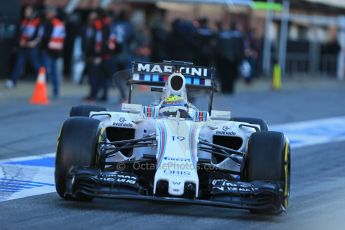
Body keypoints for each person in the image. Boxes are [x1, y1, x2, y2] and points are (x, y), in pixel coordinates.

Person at [6, 6, 43, 88]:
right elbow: (20, 33)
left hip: (32, 47)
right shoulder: (24, 21)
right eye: (26, 11)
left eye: (29, 11)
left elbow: (40, 35)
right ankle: (13, 81)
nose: (27, 13)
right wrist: (19, 42)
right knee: (19, 64)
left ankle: (43, 81)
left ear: (33, 12)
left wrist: (34, 42)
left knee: (36, 65)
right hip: (23, 47)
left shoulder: (37, 22)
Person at [41, 6, 65, 98]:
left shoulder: (50, 23)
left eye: (48, 13)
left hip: (49, 50)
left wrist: (42, 48)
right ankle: (56, 91)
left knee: (45, 71)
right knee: (55, 72)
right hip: (57, 50)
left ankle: (43, 90)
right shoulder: (60, 23)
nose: (46, 15)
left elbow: (46, 37)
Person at [216, 21, 244, 94]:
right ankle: (230, 89)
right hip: (233, 58)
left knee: (223, 75)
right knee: (231, 75)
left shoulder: (222, 34)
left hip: (223, 58)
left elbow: (218, 47)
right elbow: (240, 47)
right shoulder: (237, 34)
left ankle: (224, 89)